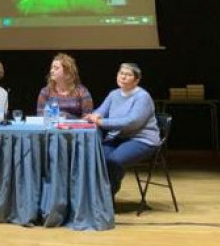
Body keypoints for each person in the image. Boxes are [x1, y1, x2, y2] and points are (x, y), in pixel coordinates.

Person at [84, 62, 160, 195]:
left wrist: (101, 122)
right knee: (96, 156)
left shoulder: (142, 97)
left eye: (128, 74)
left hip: (141, 139)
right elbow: (101, 110)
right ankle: (99, 197)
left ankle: (108, 196)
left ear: (136, 80)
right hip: (119, 138)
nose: (123, 77)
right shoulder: (114, 94)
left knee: (114, 160)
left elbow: (132, 122)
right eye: (121, 73)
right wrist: (94, 116)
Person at [35, 53, 94, 119]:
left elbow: (88, 117)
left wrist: (66, 117)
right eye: (51, 68)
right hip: (52, 128)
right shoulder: (45, 92)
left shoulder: (82, 91)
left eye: (56, 68)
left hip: (75, 128)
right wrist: (61, 116)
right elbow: (40, 116)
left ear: (67, 72)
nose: (51, 71)